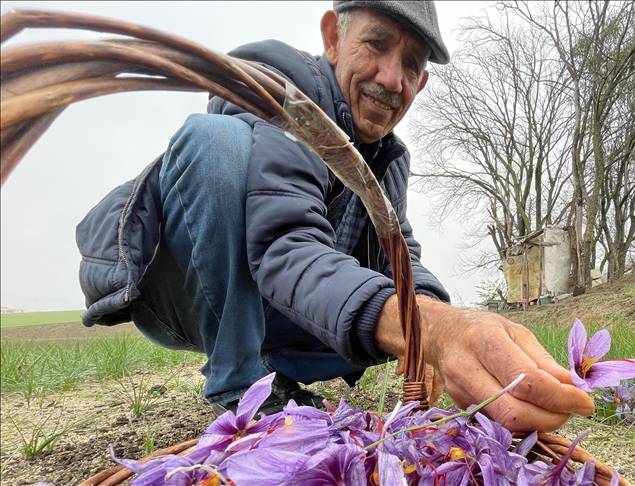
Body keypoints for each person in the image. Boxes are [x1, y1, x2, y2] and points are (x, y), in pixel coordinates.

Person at [75, 0, 594, 433]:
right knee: (215, 143)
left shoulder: (387, 156)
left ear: (422, 83)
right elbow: (284, 246)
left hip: (278, 317)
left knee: (403, 309)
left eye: (411, 64)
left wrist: (433, 312)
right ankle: (240, 386)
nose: (392, 78)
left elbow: (400, 251)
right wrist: (429, 331)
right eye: (376, 43)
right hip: (186, 292)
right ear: (332, 36)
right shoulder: (277, 92)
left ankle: (273, 373)